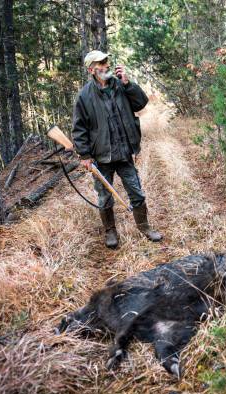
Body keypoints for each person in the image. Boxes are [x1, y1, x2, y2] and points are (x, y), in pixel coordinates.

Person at [72, 50, 162, 249]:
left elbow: (141, 103)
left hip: (124, 153)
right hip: (101, 157)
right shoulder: (84, 96)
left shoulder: (121, 86)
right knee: (104, 197)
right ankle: (110, 231)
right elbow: (79, 129)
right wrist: (85, 155)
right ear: (91, 69)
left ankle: (144, 227)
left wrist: (128, 84)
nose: (105, 65)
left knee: (136, 192)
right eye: (100, 63)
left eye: (106, 61)